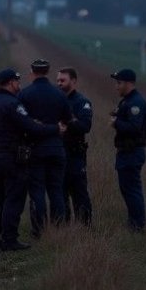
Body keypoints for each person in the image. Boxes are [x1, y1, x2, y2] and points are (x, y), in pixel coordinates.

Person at [0, 68, 65, 251]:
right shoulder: (13, 104)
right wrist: (54, 129)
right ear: (11, 83)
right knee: (14, 198)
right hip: (12, 158)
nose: (19, 85)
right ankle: (10, 239)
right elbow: (31, 128)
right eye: (17, 82)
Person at [18, 58, 73, 237]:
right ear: (48, 72)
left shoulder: (25, 94)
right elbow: (67, 119)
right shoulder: (60, 95)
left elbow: (20, 121)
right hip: (57, 148)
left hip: (35, 149)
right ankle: (57, 228)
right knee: (56, 190)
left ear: (32, 72)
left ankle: (39, 230)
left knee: (37, 191)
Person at [109, 68, 146, 231]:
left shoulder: (135, 103)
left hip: (132, 152)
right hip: (126, 151)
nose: (116, 87)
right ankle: (133, 222)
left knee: (132, 189)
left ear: (129, 83)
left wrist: (116, 123)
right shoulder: (128, 100)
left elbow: (135, 127)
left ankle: (137, 225)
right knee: (127, 189)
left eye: (119, 83)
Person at [56, 67, 94, 226]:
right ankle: (62, 228)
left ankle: (84, 228)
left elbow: (85, 126)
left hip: (75, 155)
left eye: (62, 80)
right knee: (59, 193)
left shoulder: (81, 102)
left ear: (73, 81)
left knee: (79, 193)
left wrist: (68, 124)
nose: (59, 83)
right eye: (57, 80)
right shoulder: (55, 101)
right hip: (58, 155)